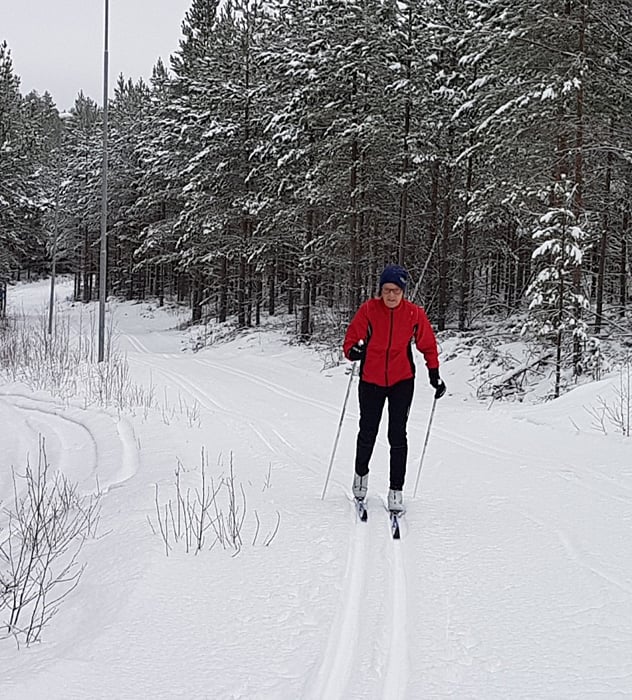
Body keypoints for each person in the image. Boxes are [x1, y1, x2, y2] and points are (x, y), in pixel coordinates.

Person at [343, 263, 446, 512]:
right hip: (371, 379)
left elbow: (428, 344)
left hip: (402, 380)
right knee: (368, 430)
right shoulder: (369, 310)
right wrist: (353, 351)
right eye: (387, 290)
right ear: (380, 290)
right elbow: (351, 339)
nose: (391, 295)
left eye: (396, 291)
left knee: (397, 434)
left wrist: (434, 373)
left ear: (403, 292)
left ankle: (396, 490)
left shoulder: (413, 314)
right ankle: (360, 477)